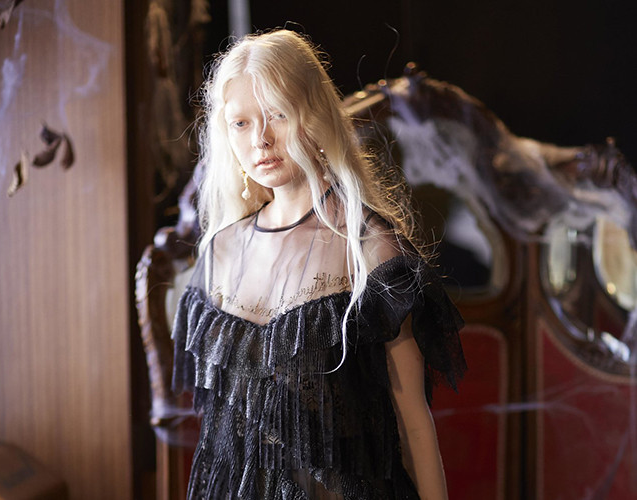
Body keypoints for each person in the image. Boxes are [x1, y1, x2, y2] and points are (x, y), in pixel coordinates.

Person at [171, 29, 466, 499]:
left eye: (277, 114)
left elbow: (412, 422)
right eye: (241, 123)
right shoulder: (221, 251)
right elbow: (219, 437)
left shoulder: (370, 248)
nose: (261, 140)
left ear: (315, 115)